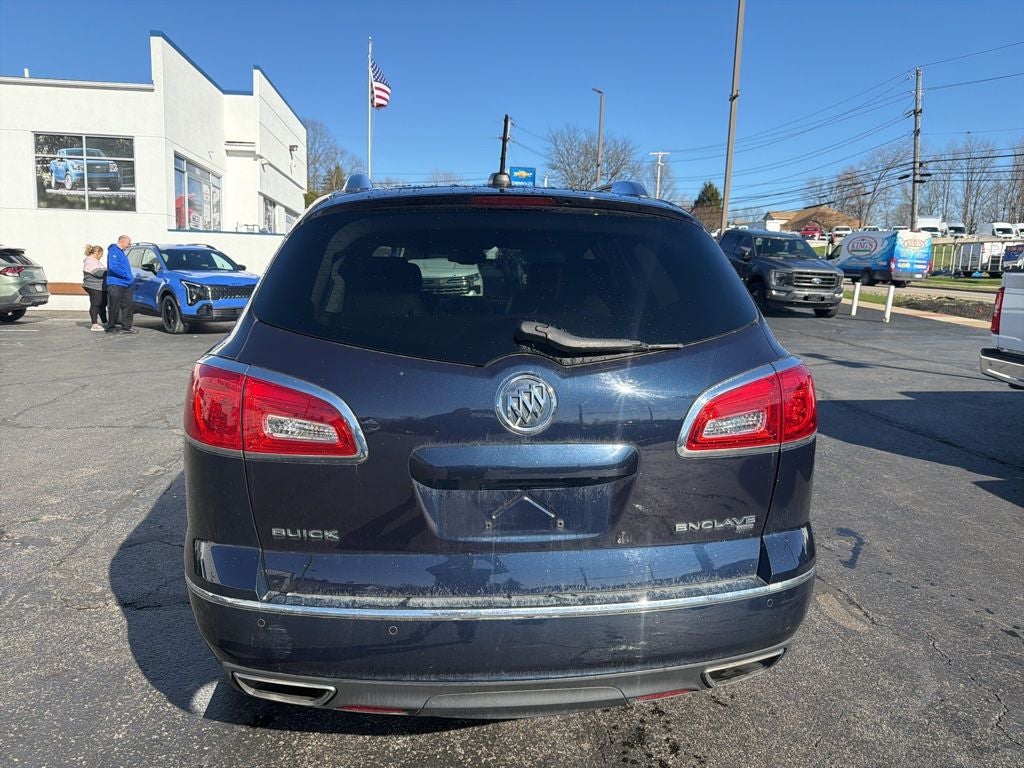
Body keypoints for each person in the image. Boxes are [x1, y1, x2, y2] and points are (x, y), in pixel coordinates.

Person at [104, 234, 137, 334]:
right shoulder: (113, 251)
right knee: (114, 305)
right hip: (116, 283)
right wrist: (126, 275)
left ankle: (126, 326)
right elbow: (113, 267)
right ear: (122, 241)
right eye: (128, 243)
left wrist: (129, 278)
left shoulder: (121, 253)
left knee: (128, 304)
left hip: (125, 284)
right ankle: (111, 327)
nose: (129, 246)